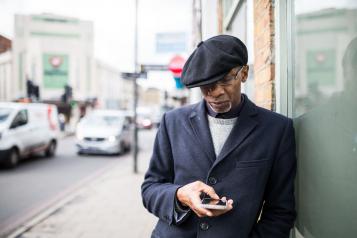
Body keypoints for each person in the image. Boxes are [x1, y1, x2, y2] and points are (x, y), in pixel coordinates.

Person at [141, 35, 296, 238]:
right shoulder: (173, 122)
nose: (215, 92)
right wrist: (180, 195)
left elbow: (281, 212)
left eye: (225, 80)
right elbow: (150, 188)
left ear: (245, 73)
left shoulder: (277, 129)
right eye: (206, 85)